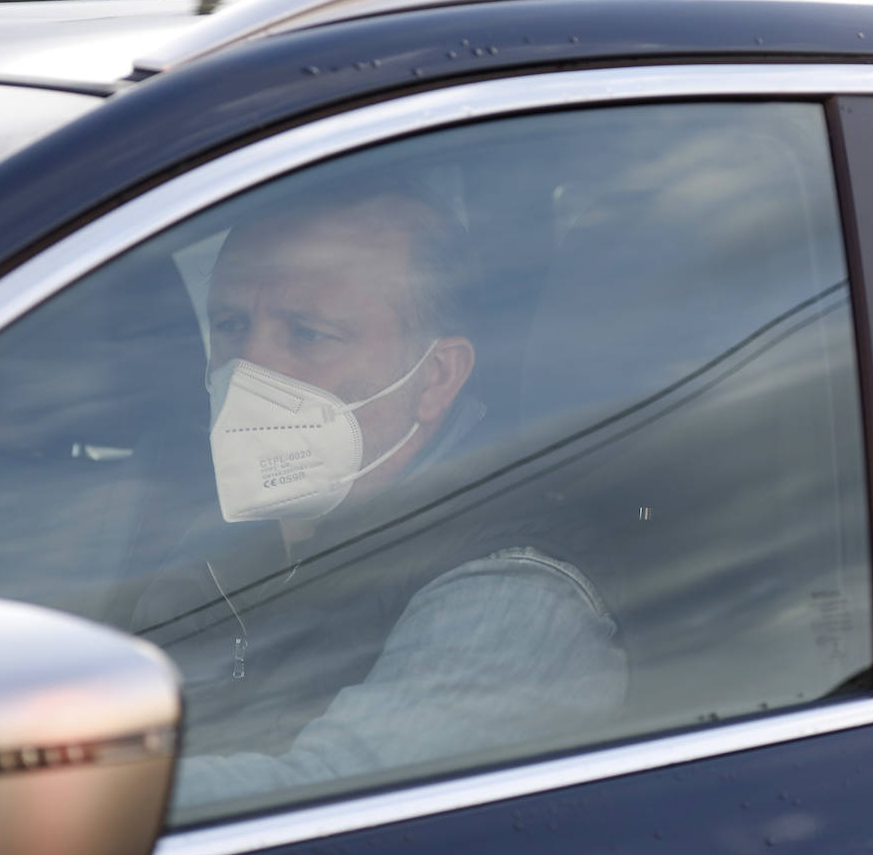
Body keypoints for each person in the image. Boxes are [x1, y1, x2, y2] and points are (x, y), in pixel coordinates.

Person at [131, 185, 627, 812]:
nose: (249, 367)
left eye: (308, 334)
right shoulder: (231, 528)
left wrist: (39, 804)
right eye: (232, 325)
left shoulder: (511, 588)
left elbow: (327, 803)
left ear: (436, 377)